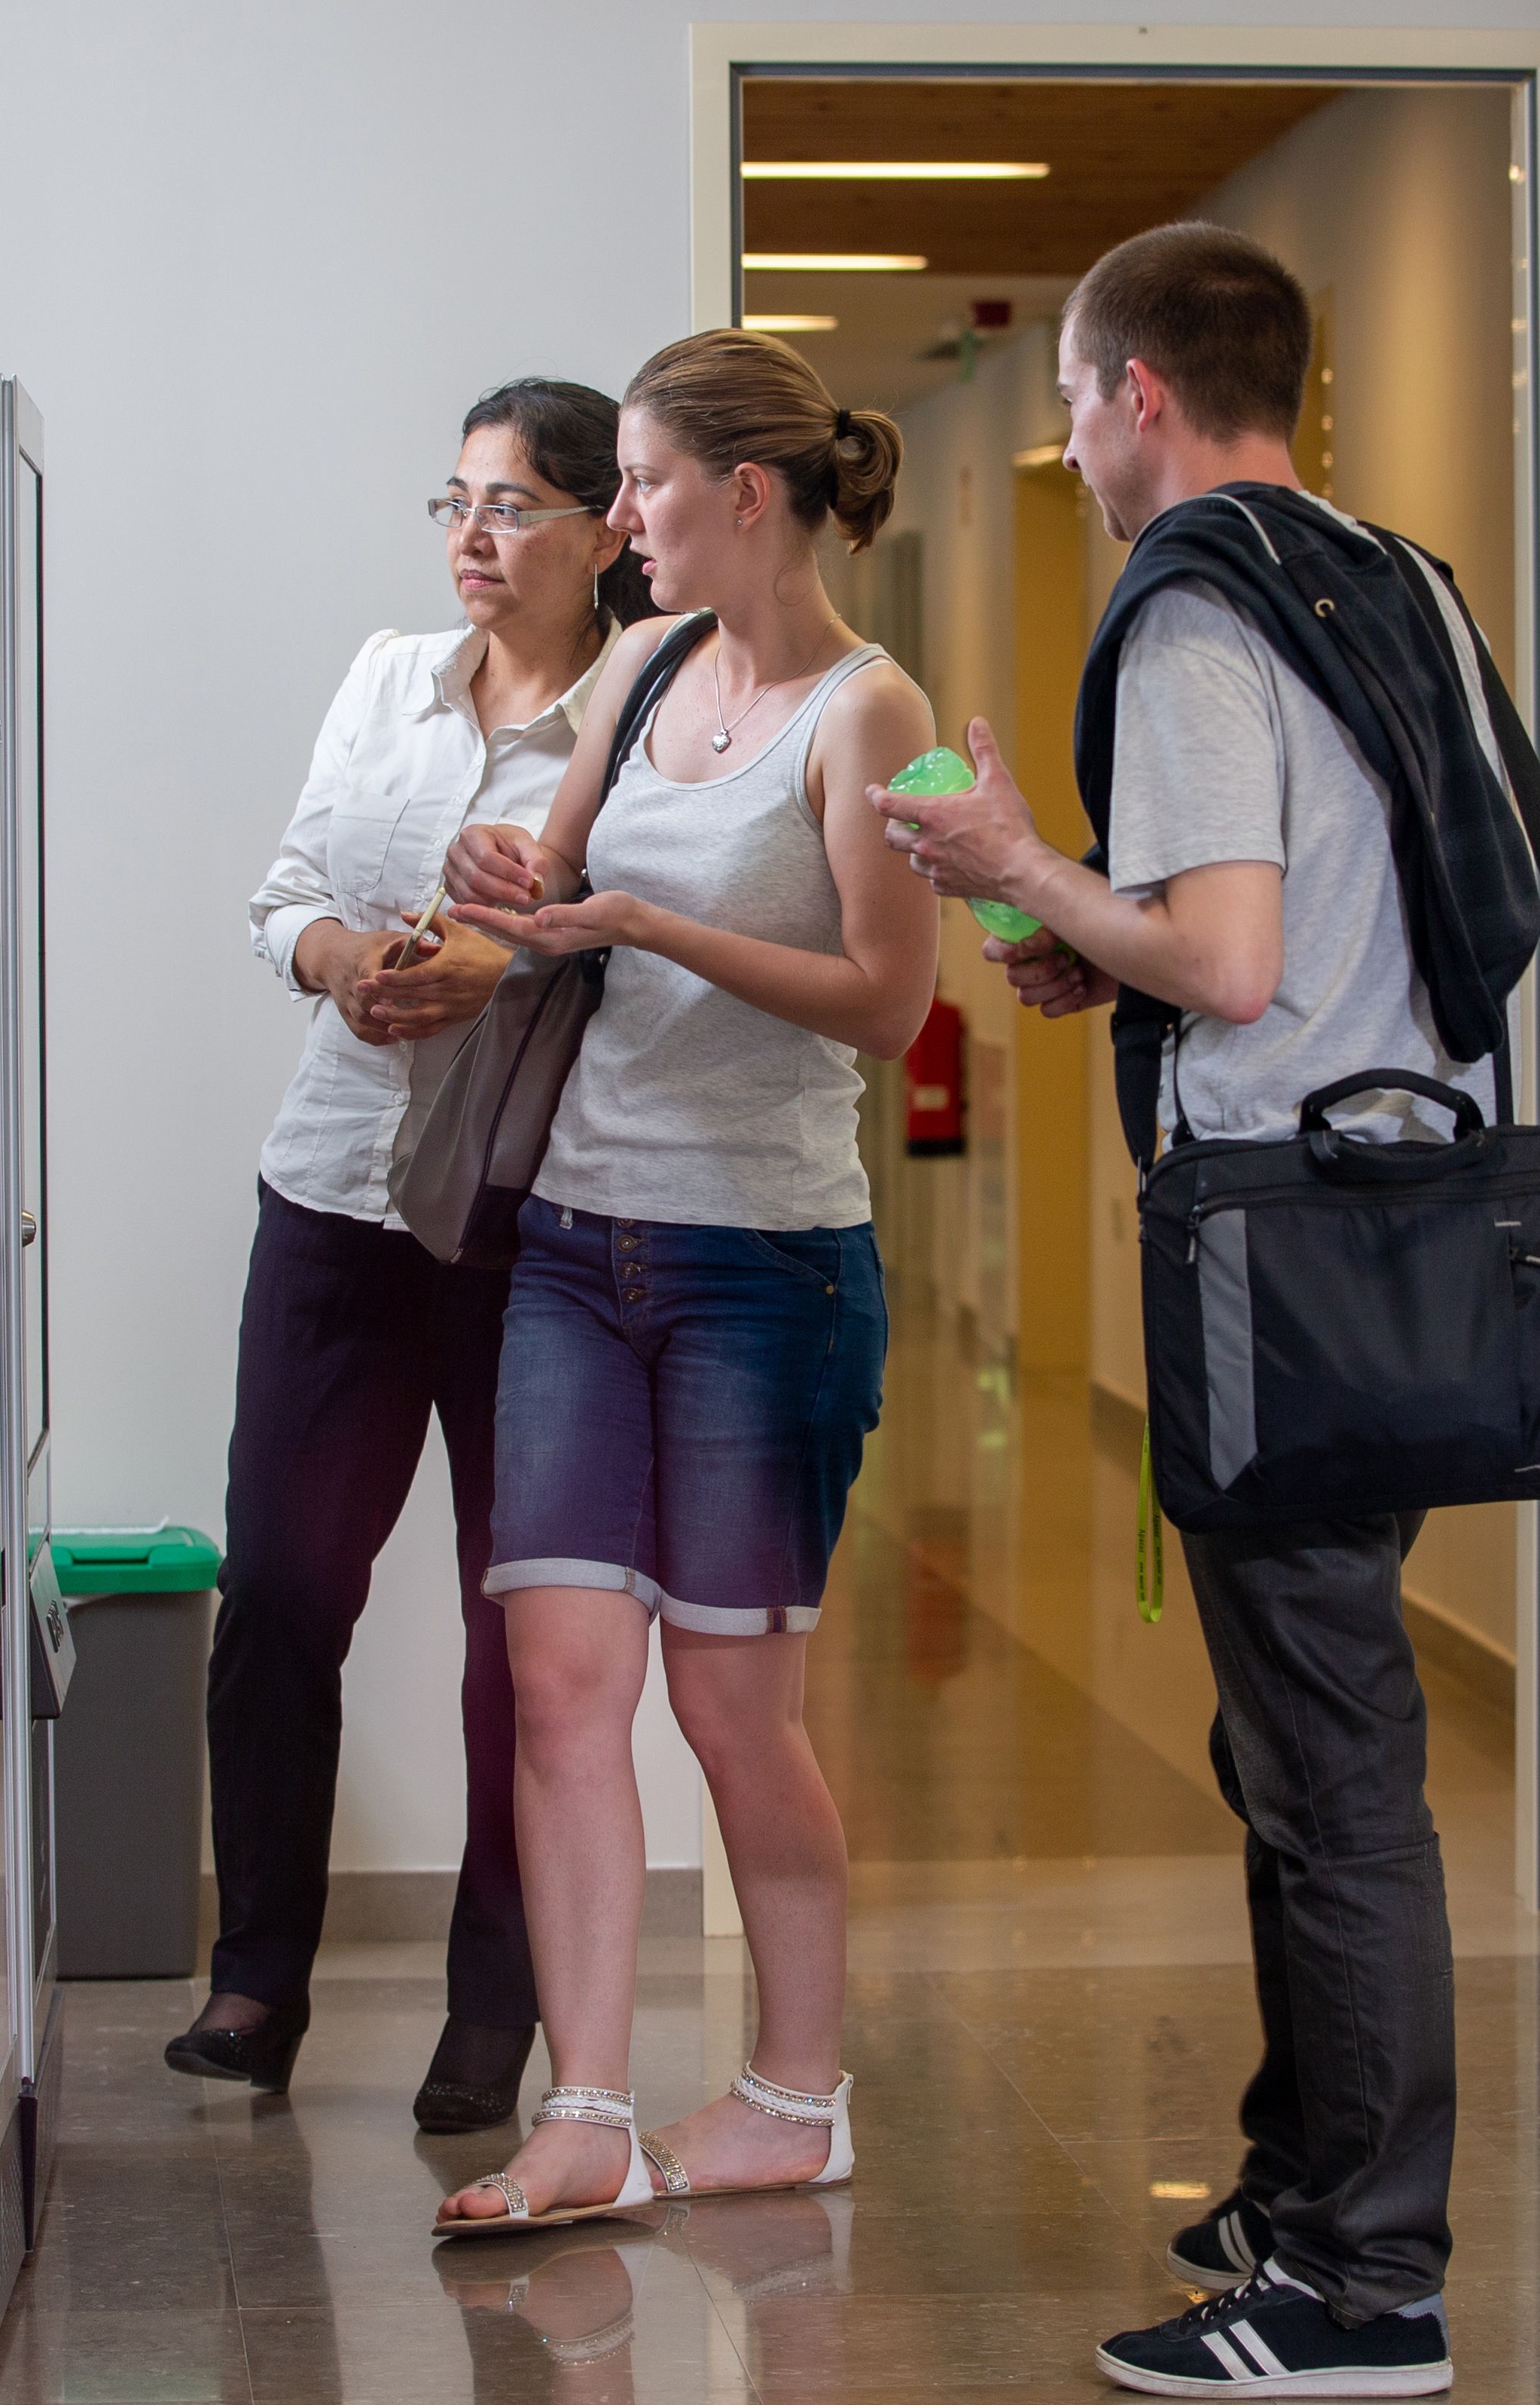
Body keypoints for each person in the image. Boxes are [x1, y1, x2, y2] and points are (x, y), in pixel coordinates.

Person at [875, 222, 1537, 2400]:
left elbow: (1234, 968)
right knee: (1297, 1740)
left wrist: (1011, 872)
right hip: (1411, 1226)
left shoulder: (1186, 608)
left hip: (1275, 1245)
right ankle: (1297, 2182)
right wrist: (1113, 938)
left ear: (1137, 390)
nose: (1065, 445)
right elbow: (1359, 925)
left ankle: (1365, 2287)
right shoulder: (1389, 575)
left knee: (1328, 1770)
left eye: (1068, 401)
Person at [428, 329, 936, 2233]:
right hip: (574, 1238)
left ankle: (796, 2092)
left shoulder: (867, 713)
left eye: (639, 483)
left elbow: (891, 1004)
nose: (615, 518)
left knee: (733, 1706)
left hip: (764, 1269)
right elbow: (557, 893)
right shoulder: (640, 669)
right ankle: (583, 2112)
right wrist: (512, 881)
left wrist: (649, 919)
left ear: (748, 492)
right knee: (561, 1683)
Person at [175, 379, 659, 2135]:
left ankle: (490, 2015)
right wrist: (339, 965)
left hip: (528, 1222)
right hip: (334, 1191)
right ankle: (257, 1978)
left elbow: (656, 946)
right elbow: (286, 882)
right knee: (283, 1591)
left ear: (612, 524)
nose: (474, 534)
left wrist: (501, 965)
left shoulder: (651, 700)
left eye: (517, 504)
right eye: (455, 499)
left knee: (508, 1638)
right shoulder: (391, 677)